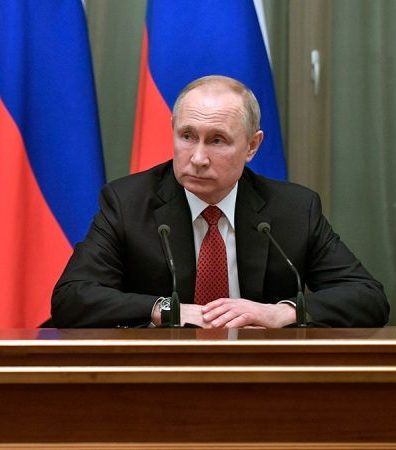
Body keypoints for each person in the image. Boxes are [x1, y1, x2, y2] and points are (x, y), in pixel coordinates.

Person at [52, 75, 389, 328]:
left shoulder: (294, 209)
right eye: (187, 136)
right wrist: (164, 309)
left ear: (252, 146)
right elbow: (72, 298)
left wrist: (283, 312)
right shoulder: (128, 203)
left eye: (217, 141)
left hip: (259, 378)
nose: (198, 158)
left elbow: (367, 297)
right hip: (159, 375)